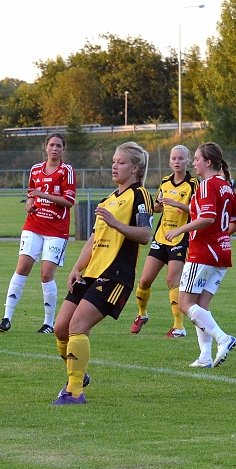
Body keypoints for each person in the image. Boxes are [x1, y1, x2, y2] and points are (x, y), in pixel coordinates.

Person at [52, 142, 154, 405]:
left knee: (78, 326)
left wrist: (116, 223)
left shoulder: (140, 195)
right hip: (92, 273)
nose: (114, 165)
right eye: (113, 161)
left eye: (120, 162)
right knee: (60, 328)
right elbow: (93, 240)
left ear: (135, 168)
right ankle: (78, 372)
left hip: (116, 275)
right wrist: (77, 268)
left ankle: (74, 391)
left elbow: (145, 235)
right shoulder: (108, 199)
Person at [164, 142, 236, 369]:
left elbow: (208, 218)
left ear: (208, 162)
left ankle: (223, 338)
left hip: (203, 253)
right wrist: (221, 236)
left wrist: (180, 229)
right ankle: (205, 357)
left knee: (184, 303)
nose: (193, 163)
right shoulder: (225, 185)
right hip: (221, 253)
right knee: (201, 306)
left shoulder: (208, 185)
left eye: (197, 159)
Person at [0, 133, 75, 334]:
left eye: (59, 145)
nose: (55, 149)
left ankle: (49, 323)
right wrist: (30, 205)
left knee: (46, 274)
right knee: (22, 267)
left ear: (63, 149)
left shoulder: (67, 171)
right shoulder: (35, 170)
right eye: (51, 145)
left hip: (56, 230)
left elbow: (69, 201)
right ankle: (6, 318)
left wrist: (43, 195)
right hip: (34, 225)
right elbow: (31, 195)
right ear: (46, 147)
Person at [131, 145, 197, 337]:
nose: (177, 162)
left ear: (187, 160)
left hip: (180, 238)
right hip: (161, 237)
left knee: (172, 280)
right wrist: (156, 205)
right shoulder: (165, 182)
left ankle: (179, 327)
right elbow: (159, 207)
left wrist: (177, 204)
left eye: (181, 159)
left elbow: (199, 211)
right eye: (173, 158)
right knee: (144, 280)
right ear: (169, 161)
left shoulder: (193, 184)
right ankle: (142, 314)